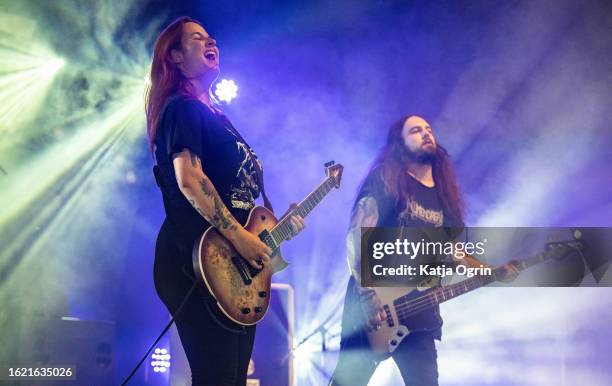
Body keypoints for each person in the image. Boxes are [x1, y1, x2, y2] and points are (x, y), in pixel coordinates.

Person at [145, 17, 305, 386]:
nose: (210, 41)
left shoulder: (222, 118)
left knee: (232, 379)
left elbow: (241, 200)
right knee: (216, 377)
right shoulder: (182, 108)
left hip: (233, 262)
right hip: (197, 257)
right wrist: (239, 236)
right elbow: (190, 178)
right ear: (176, 58)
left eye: (211, 37)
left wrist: (276, 229)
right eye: (197, 38)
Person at [329, 115, 518, 386]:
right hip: (371, 309)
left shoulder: (444, 198)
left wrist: (491, 272)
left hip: (420, 314)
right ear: (399, 143)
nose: (426, 134)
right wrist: (368, 297)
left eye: (429, 130)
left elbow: (453, 252)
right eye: (416, 131)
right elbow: (358, 235)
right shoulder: (386, 180)